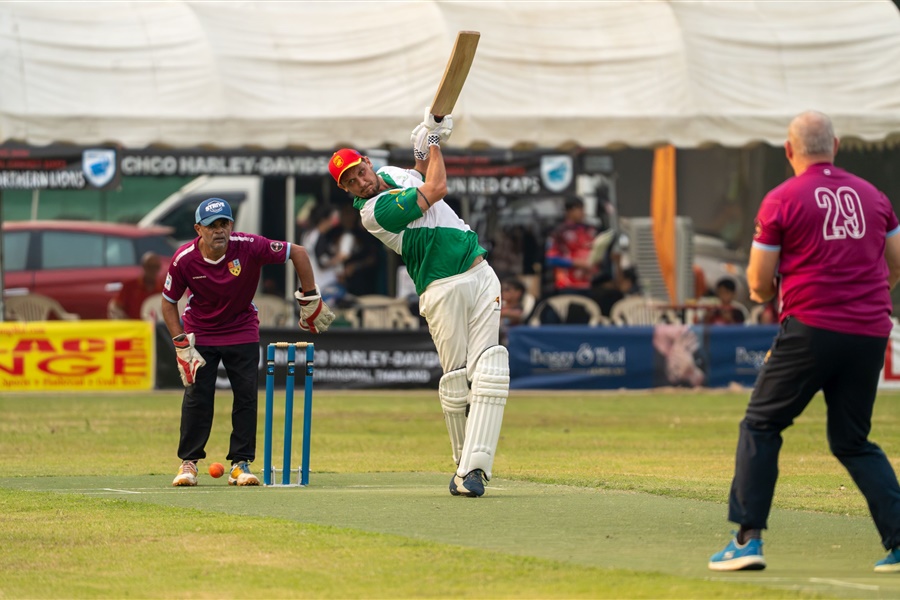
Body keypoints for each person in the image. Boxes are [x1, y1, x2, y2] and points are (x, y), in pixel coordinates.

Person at [708, 110, 900, 572]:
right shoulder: (874, 196)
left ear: (789, 150)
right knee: (853, 440)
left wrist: (763, 294)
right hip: (872, 331)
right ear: (835, 147)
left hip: (812, 328)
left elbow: (758, 278)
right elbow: (897, 263)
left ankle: (747, 540)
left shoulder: (782, 198)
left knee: (761, 425)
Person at [328, 111, 508, 498]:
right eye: (351, 182)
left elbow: (420, 171)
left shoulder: (393, 174)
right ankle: (463, 467)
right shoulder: (374, 213)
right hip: (441, 288)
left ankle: (473, 471)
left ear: (367, 162)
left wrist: (425, 139)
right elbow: (437, 186)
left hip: (480, 272)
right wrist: (435, 141)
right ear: (348, 191)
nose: (360, 181)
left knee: (490, 371)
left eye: (359, 171)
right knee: (458, 380)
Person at [161, 198, 335, 487]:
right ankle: (189, 464)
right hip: (201, 331)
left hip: (241, 328)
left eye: (224, 224)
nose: (219, 231)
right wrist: (181, 343)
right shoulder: (184, 258)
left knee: (245, 395)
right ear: (198, 229)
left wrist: (310, 296)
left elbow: (299, 252)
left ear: (231, 225)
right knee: (198, 397)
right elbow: (168, 303)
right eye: (211, 226)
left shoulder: (249, 245)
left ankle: (240, 464)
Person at [544, 196, 600, 294]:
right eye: (578, 209)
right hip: (567, 284)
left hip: (589, 283)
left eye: (583, 208)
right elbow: (550, 259)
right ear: (569, 211)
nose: (582, 212)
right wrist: (576, 263)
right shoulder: (559, 232)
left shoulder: (590, 230)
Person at [108, 251, 164, 319]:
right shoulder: (130, 286)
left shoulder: (163, 288)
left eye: (156, 267)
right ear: (143, 266)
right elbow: (116, 306)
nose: (153, 270)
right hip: (133, 326)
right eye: (149, 266)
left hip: (154, 327)